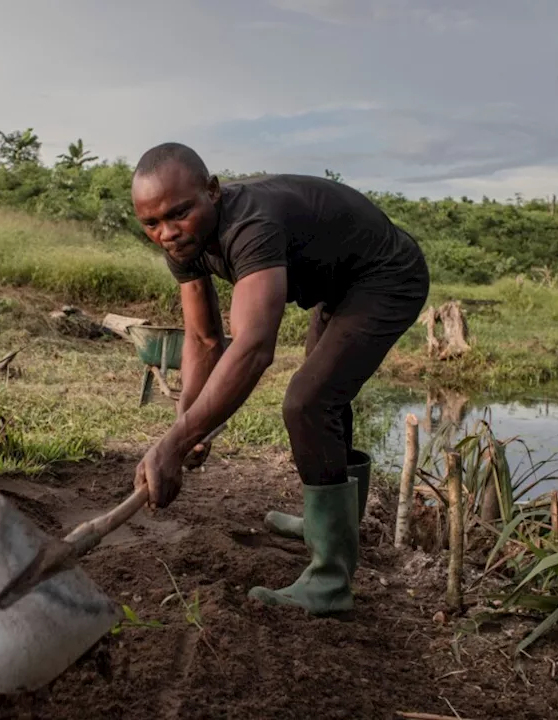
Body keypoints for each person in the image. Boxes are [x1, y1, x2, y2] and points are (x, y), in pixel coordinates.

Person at [130, 143, 430, 616]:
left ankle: (331, 579)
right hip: (340, 287)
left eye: (178, 213)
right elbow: (205, 339)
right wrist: (187, 421)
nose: (166, 232)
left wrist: (172, 444)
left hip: (385, 275)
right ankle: (329, 524)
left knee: (309, 401)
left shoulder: (251, 225)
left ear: (212, 192)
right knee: (324, 394)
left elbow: (253, 348)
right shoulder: (183, 242)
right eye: (151, 224)